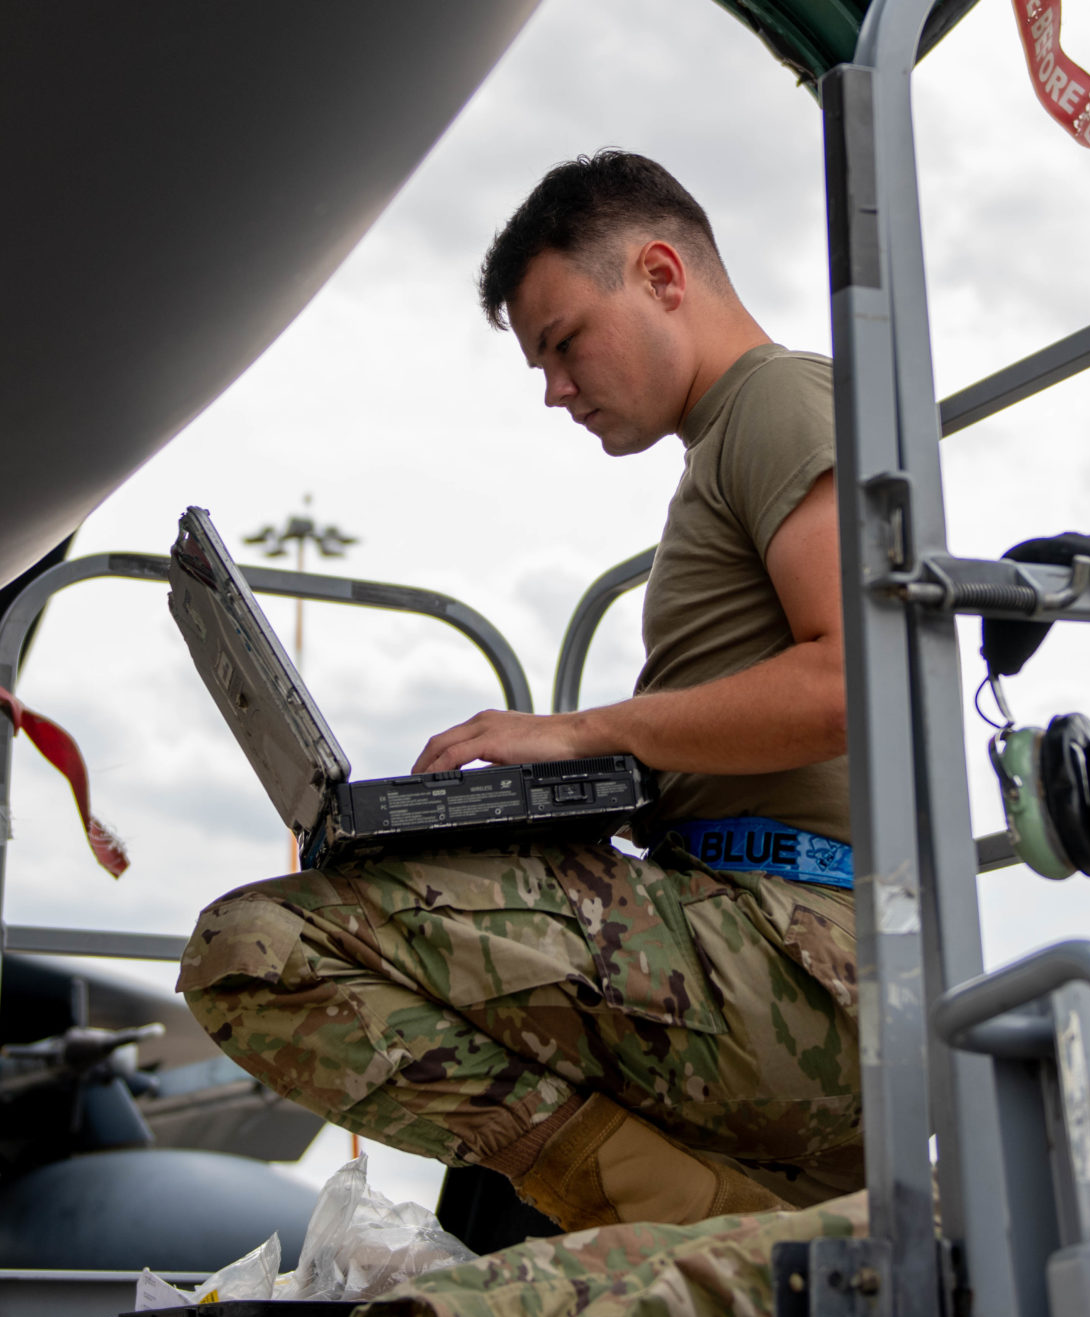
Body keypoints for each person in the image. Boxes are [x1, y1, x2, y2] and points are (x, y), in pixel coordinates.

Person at [174, 151, 859, 1232]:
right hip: (758, 932)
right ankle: (666, 1222)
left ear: (661, 274)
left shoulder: (783, 400)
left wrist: (580, 730)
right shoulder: (729, 445)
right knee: (478, 1201)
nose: (554, 389)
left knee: (259, 949)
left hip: (811, 954)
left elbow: (850, 685)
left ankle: (696, 1218)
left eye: (563, 342)